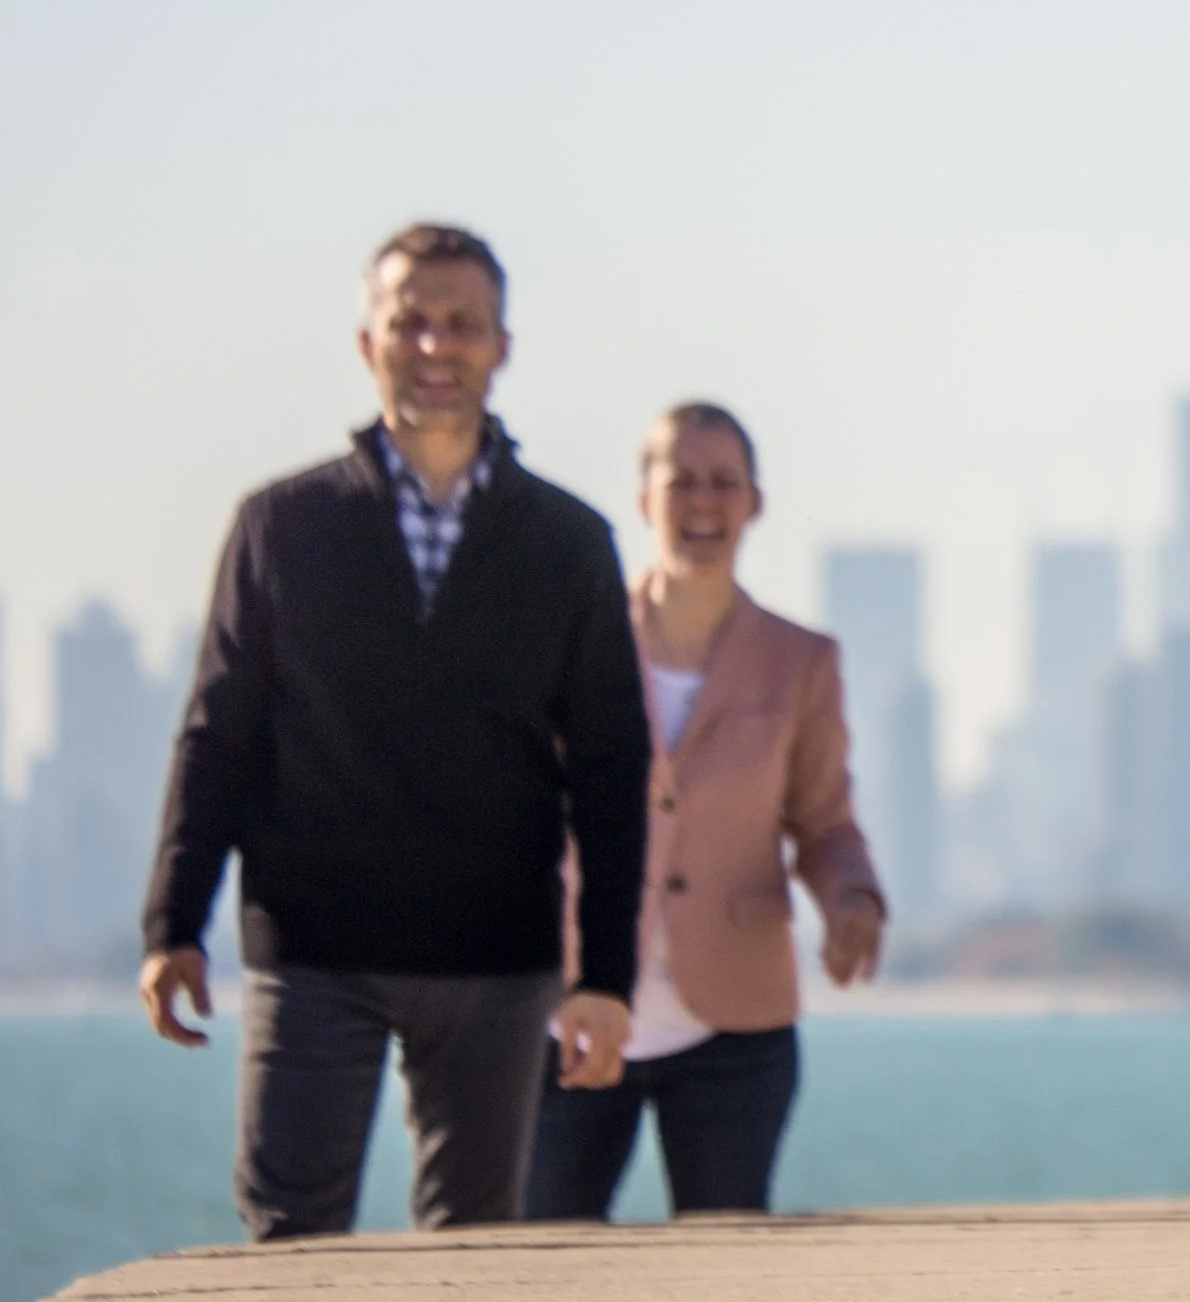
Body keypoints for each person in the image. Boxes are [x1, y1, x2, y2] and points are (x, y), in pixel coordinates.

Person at [138, 222, 650, 1240]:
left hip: (498, 962)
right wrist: (172, 923)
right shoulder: (280, 527)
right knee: (291, 1238)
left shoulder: (568, 541)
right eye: (409, 321)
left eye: (462, 324)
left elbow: (610, 766)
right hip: (314, 950)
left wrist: (604, 979)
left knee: (474, 1257)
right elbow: (220, 734)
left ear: (501, 346)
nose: (435, 345)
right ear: (367, 343)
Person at [524, 402, 886, 1221]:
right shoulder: (571, 642)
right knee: (534, 1261)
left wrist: (852, 898)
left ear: (754, 503)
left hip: (734, 1027)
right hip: (573, 1015)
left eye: (724, 482)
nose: (703, 502)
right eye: (680, 480)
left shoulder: (801, 662)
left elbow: (824, 822)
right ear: (645, 499)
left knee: (725, 1275)